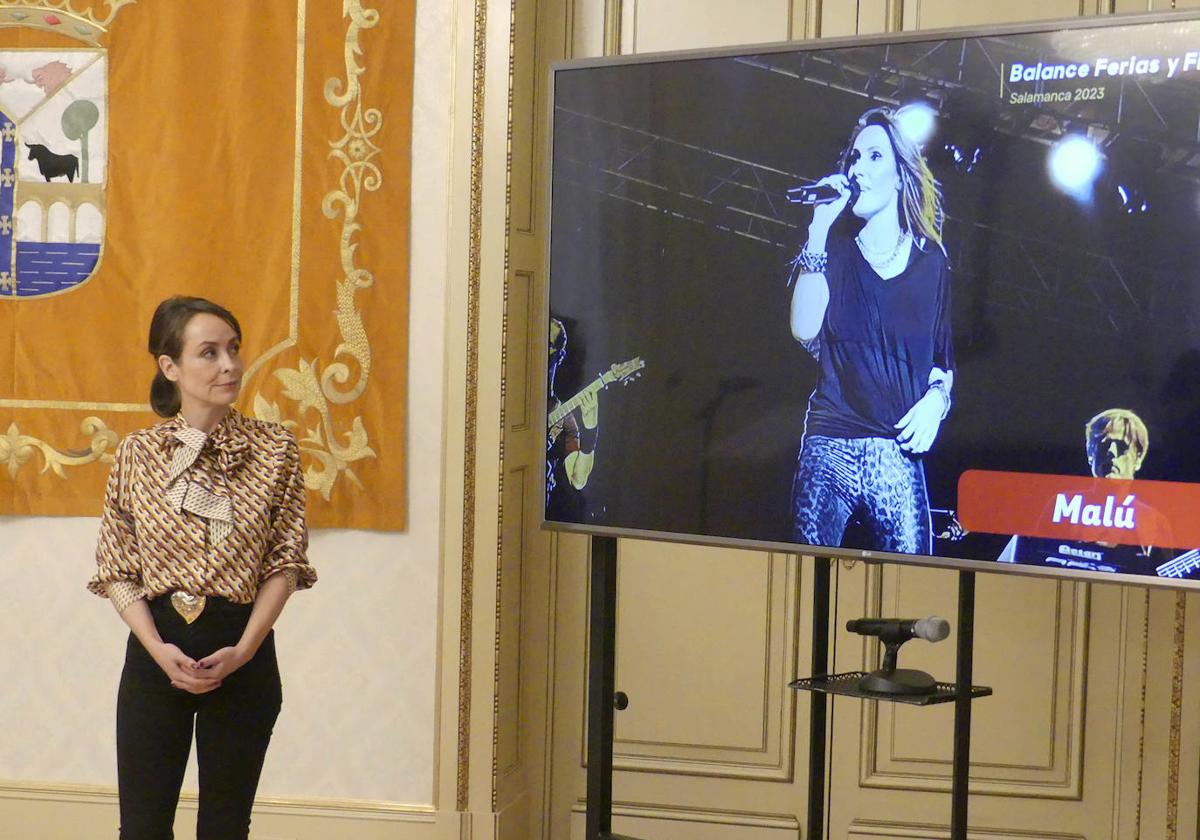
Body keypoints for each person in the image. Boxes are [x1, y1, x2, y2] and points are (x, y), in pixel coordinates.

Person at [87, 296, 316, 839]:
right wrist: (156, 648)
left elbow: (286, 562)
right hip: (155, 652)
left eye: (233, 350)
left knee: (224, 828)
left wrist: (245, 650)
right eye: (209, 353)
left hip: (243, 651)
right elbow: (117, 569)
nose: (229, 365)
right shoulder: (136, 454)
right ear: (171, 367)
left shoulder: (275, 449)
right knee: (142, 829)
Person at [788, 106, 954, 555]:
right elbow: (803, 329)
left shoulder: (931, 263)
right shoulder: (835, 254)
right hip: (831, 442)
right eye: (855, 158)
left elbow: (942, 360)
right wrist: (818, 231)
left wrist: (936, 404)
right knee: (804, 570)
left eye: (874, 157)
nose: (858, 167)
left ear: (900, 175)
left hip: (895, 449)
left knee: (916, 574)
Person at [999, 408, 1175, 575]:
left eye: (1122, 447)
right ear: (1091, 453)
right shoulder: (1061, 505)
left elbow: (1165, 585)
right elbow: (1026, 563)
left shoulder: (1154, 522)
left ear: (1138, 458)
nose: (1111, 454)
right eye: (1104, 445)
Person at [546, 316, 598, 521]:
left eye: (548, 346)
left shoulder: (564, 417)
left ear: (560, 355)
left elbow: (578, 479)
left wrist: (591, 427)